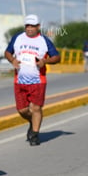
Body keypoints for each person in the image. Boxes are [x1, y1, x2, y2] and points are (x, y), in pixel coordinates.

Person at [4, 14, 61, 146]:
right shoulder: (17, 38)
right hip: (19, 80)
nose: (29, 28)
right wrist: (12, 60)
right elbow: (7, 52)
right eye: (27, 26)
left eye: (32, 26)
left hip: (38, 80)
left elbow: (57, 57)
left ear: (38, 26)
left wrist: (45, 61)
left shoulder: (44, 40)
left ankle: (34, 134)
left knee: (36, 108)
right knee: (22, 110)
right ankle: (33, 121)